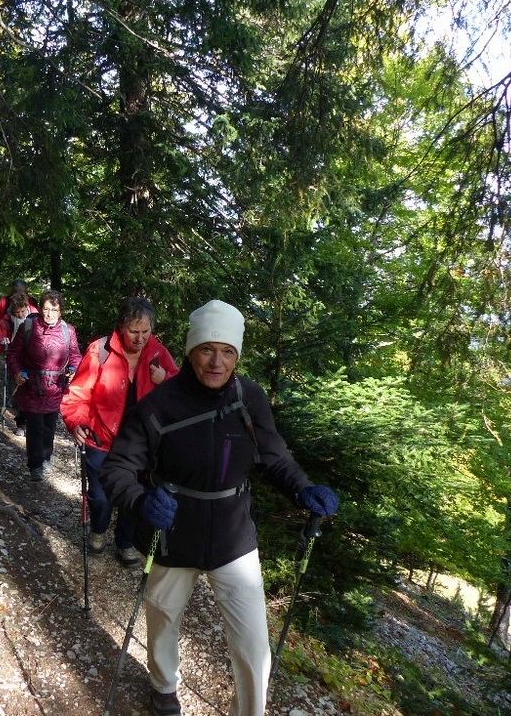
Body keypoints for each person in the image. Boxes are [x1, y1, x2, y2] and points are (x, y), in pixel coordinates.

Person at [100, 299, 340, 716]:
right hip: (173, 532)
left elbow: (274, 456)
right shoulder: (158, 405)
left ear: (237, 355)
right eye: (207, 349)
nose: (217, 361)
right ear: (191, 350)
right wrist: (139, 502)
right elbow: (119, 466)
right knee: (162, 621)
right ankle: (163, 687)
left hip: (233, 536)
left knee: (253, 645)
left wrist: (303, 489)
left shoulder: (250, 398)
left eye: (227, 351)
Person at [61, 297, 179, 568]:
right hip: (101, 439)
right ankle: (99, 528)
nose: (140, 338)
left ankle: (125, 542)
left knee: (134, 496)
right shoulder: (100, 351)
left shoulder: (159, 354)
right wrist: (77, 421)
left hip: (141, 446)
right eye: (134, 332)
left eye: (145, 332)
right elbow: (78, 394)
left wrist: (166, 381)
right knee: (101, 497)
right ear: (121, 327)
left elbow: (181, 396)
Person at [6, 289, 83, 481]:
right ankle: (36, 465)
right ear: (40, 308)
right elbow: (13, 353)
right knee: (35, 426)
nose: (49, 314)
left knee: (49, 425)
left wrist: (74, 368)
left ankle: (46, 457)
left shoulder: (68, 330)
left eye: (54, 310)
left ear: (61, 311)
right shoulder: (29, 326)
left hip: (56, 386)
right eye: (46, 309)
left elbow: (75, 354)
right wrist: (17, 372)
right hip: (32, 384)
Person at [0, 292, 32, 435]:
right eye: (17, 312)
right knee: (16, 392)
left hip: (34, 359)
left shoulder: (36, 316)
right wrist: (2, 341)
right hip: (15, 359)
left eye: (23, 311)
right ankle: (21, 424)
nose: (21, 315)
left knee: (33, 391)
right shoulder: (7, 320)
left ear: (27, 306)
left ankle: (30, 423)